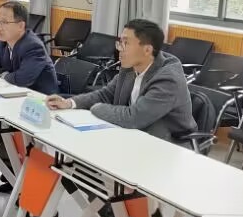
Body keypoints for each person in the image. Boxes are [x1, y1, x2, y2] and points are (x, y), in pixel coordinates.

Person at [46, 18, 196, 141]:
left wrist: (97, 108)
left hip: (168, 144)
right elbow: (105, 94)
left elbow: (134, 117)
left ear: (147, 50)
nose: (119, 49)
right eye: (120, 42)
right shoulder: (130, 67)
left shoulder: (168, 79)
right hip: (134, 136)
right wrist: (69, 103)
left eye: (126, 43)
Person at [0, 1, 58, 95]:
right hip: (15, 93)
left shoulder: (34, 46)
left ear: (21, 26)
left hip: (40, 98)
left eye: (4, 22)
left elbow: (23, 78)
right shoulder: (3, 42)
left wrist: (3, 76)